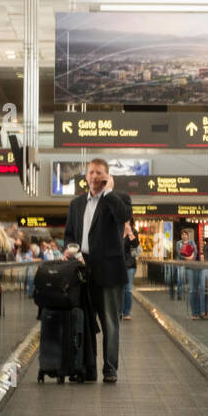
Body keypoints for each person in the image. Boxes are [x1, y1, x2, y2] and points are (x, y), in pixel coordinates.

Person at [63, 158, 133, 382]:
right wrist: (71, 250)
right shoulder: (76, 204)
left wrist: (109, 193)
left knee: (110, 322)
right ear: (86, 177)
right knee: (84, 320)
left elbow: (124, 217)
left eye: (100, 173)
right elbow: (70, 235)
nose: (95, 176)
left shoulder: (118, 199)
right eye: (91, 172)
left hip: (109, 270)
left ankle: (110, 369)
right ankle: (87, 368)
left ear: (107, 176)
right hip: (82, 269)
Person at [122, 227, 140, 320]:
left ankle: (126, 312)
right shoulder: (117, 229)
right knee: (120, 289)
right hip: (119, 265)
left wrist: (129, 233)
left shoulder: (133, 232)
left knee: (128, 289)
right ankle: (119, 311)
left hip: (130, 265)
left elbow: (137, 247)